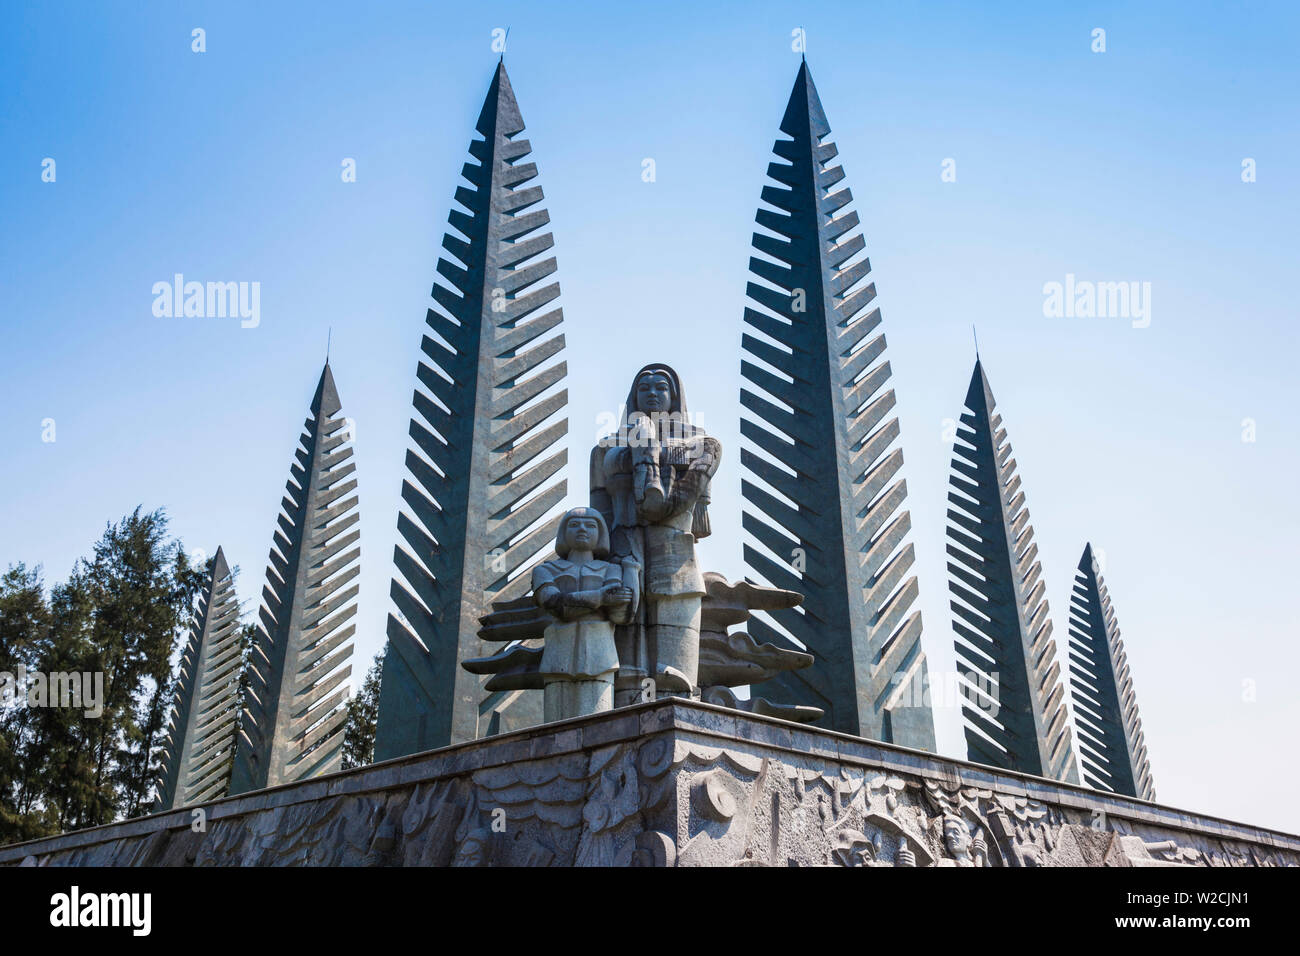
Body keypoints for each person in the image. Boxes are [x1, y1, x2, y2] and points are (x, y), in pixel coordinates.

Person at [590, 364, 721, 704]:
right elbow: (599, 516)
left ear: (674, 396)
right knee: (626, 673)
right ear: (632, 396)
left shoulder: (698, 443)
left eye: (660, 387)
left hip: (675, 553)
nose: (651, 393)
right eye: (643, 387)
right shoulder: (606, 449)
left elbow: (700, 518)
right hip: (624, 552)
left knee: (676, 677)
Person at [532, 508, 637, 721]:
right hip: (558, 657)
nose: (582, 529)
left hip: (601, 657)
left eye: (590, 525)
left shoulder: (611, 570)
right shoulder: (545, 570)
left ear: (600, 534)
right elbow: (554, 603)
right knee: (555, 732)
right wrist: (600, 597)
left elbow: (619, 615)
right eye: (574, 524)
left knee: (597, 729)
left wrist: (632, 573)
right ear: (563, 533)